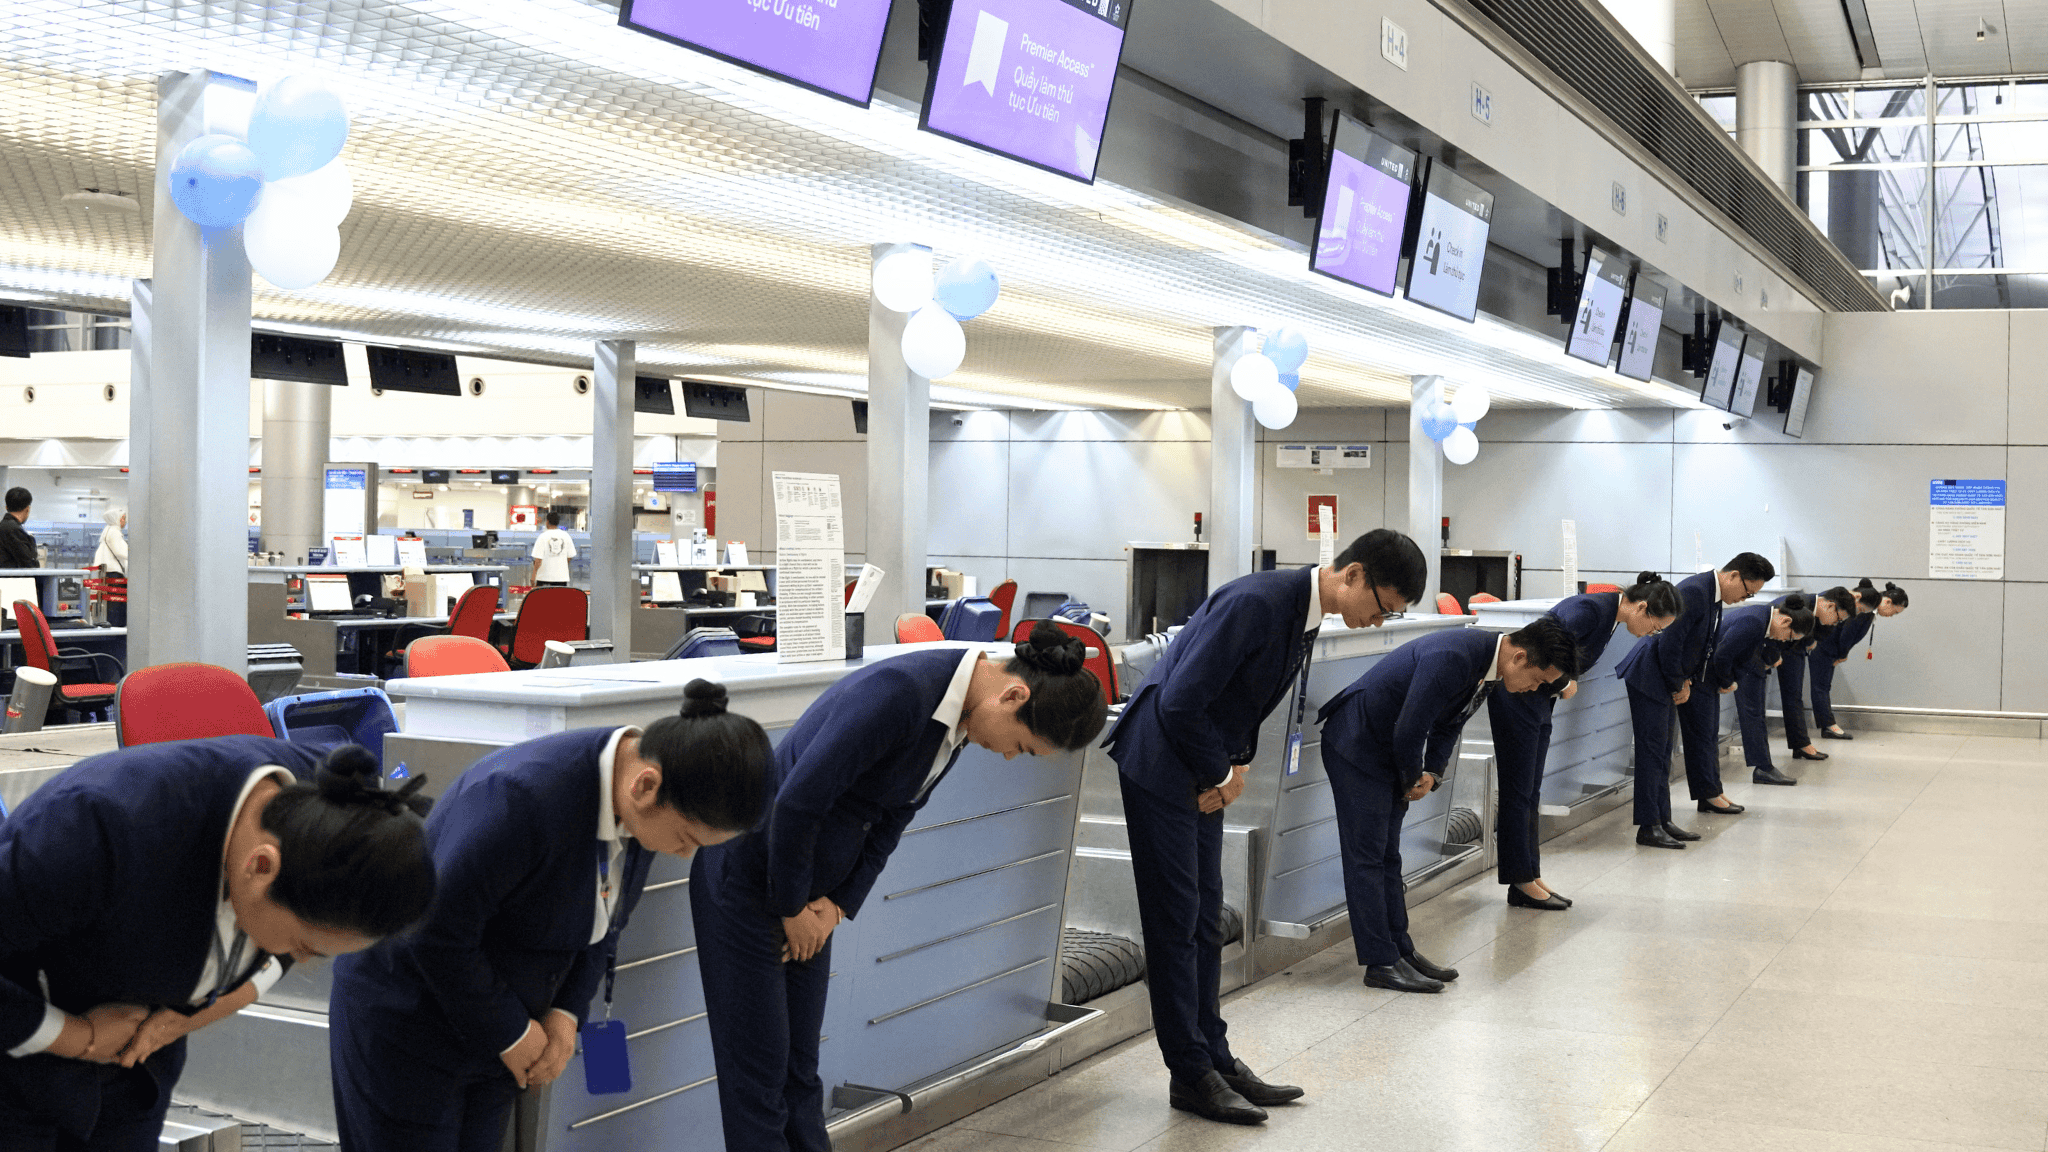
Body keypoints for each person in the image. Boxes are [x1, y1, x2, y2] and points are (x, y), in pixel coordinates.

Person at [692, 623, 1108, 1152]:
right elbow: (797, 802)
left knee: (799, 1071)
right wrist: (792, 907)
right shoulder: (902, 694)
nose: (1008, 755)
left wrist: (837, 906)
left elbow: (892, 819)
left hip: (809, 901)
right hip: (752, 881)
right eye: (1022, 746)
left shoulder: (956, 714)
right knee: (759, 1078)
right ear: (1013, 695)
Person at [329, 683, 772, 1152]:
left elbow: (605, 917)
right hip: (409, 1021)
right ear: (646, 786)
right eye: (685, 839)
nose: (683, 856)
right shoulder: (522, 799)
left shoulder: (639, 796)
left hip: (493, 1030)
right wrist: (512, 1033)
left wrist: (566, 1013)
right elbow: (432, 928)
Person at [1101, 529, 1426, 1126]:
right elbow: (1179, 701)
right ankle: (1189, 1072)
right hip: (1161, 762)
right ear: (1354, 574)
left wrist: (1234, 764)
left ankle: (1214, 1056)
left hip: (1200, 764)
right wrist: (1223, 771)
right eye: (1382, 608)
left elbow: (1239, 700)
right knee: (1176, 921)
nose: (1379, 622)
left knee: (1205, 918)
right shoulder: (1258, 602)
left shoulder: (1302, 612)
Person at [0, 737, 435, 1151]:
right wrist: (81, 1037)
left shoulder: (340, 811)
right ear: (260, 867)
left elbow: (283, 942)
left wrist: (191, 1016)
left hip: (141, 1060)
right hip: (21, 1047)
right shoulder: (94, 828)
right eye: (304, 947)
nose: (301, 962)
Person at [1319, 618, 1579, 990]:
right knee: (1368, 856)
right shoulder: (1455, 656)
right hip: (1357, 744)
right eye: (1537, 680)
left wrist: (1433, 770)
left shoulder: (1489, 664)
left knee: (1387, 855)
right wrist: (1412, 776)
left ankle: (1401, 950)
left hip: (1386, 748)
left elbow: (1451, 721)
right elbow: (1411, 725)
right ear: (1520, 657)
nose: (1534, 689)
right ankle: (1380, 962)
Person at [1487, 573, 1681, 910]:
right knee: (1519, 790)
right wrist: (1564, 682)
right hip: (1518, 695)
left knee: (1530, 790)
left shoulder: (1608, 615)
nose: (1652, 634)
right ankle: (1520, 881)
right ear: (1641, 608)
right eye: (1655, 626)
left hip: (1536, 699)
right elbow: (1537, 647)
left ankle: (1528, 874)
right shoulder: (1591, 610)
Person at [1616, 552, 1774, 849]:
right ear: (1733, 576)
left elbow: (1696, 643)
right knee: (1652, 753)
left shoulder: (1711, 593)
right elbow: (1671, 641)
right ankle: (1649, 826)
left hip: (1664, 675)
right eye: (1747, 591)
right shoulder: (1695, 591)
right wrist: (1679, 682)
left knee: (1663, 752)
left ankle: (1662, 820)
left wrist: (1686, 678)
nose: (1745, 599)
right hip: (1650, 674)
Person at [1714, 595, 1817, 787]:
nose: (1784, 640)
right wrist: (1727, 682)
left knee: (1755, 713)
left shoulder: (1763, 616)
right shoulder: (1754, 621)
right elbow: (1722, 654)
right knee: (1753, 713)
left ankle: (1763, 767)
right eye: (1789, 636)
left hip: (1742, 663)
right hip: (1716, 668)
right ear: (1786, 621)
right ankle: (1763, 768)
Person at [1811, 579, 1909, 740]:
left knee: (1822, 686)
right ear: (1888, 601)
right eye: (1895, 612)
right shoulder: (1866, 608)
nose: (1892, 616)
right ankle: (1828, 726)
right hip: (1824, 645)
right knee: (1821, 686)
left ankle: (1827, 725)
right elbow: (1847, 633)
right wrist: (1842, 655)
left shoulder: (1870, 609)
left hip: (1828, 647)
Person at [1779, 587, 1857, 762]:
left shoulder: (1822, 612)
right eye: (1838, 619)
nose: (1836, 624)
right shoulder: (1799, 605)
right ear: (1830, 606)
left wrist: (1810, 641)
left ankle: (1800, 745)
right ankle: (1767, 761)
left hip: (1794, 647)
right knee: (1788, 696)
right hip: (1778, 645)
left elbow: (1823, 631)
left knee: (1794, 695)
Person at [529, 513, 577, 587]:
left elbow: (538, 560)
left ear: (547, 522)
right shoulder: (566, 536)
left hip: (543, 577)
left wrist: (534, 575)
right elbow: (570, 556)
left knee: (544, 595)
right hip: (561, 578)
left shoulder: (542, 537)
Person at [0, 487, 35, 569]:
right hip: (10, 576)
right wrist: (31, 541)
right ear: (27, 509)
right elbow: (28, 562)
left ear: (6, 507)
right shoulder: (13, 529)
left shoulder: (5, 525)